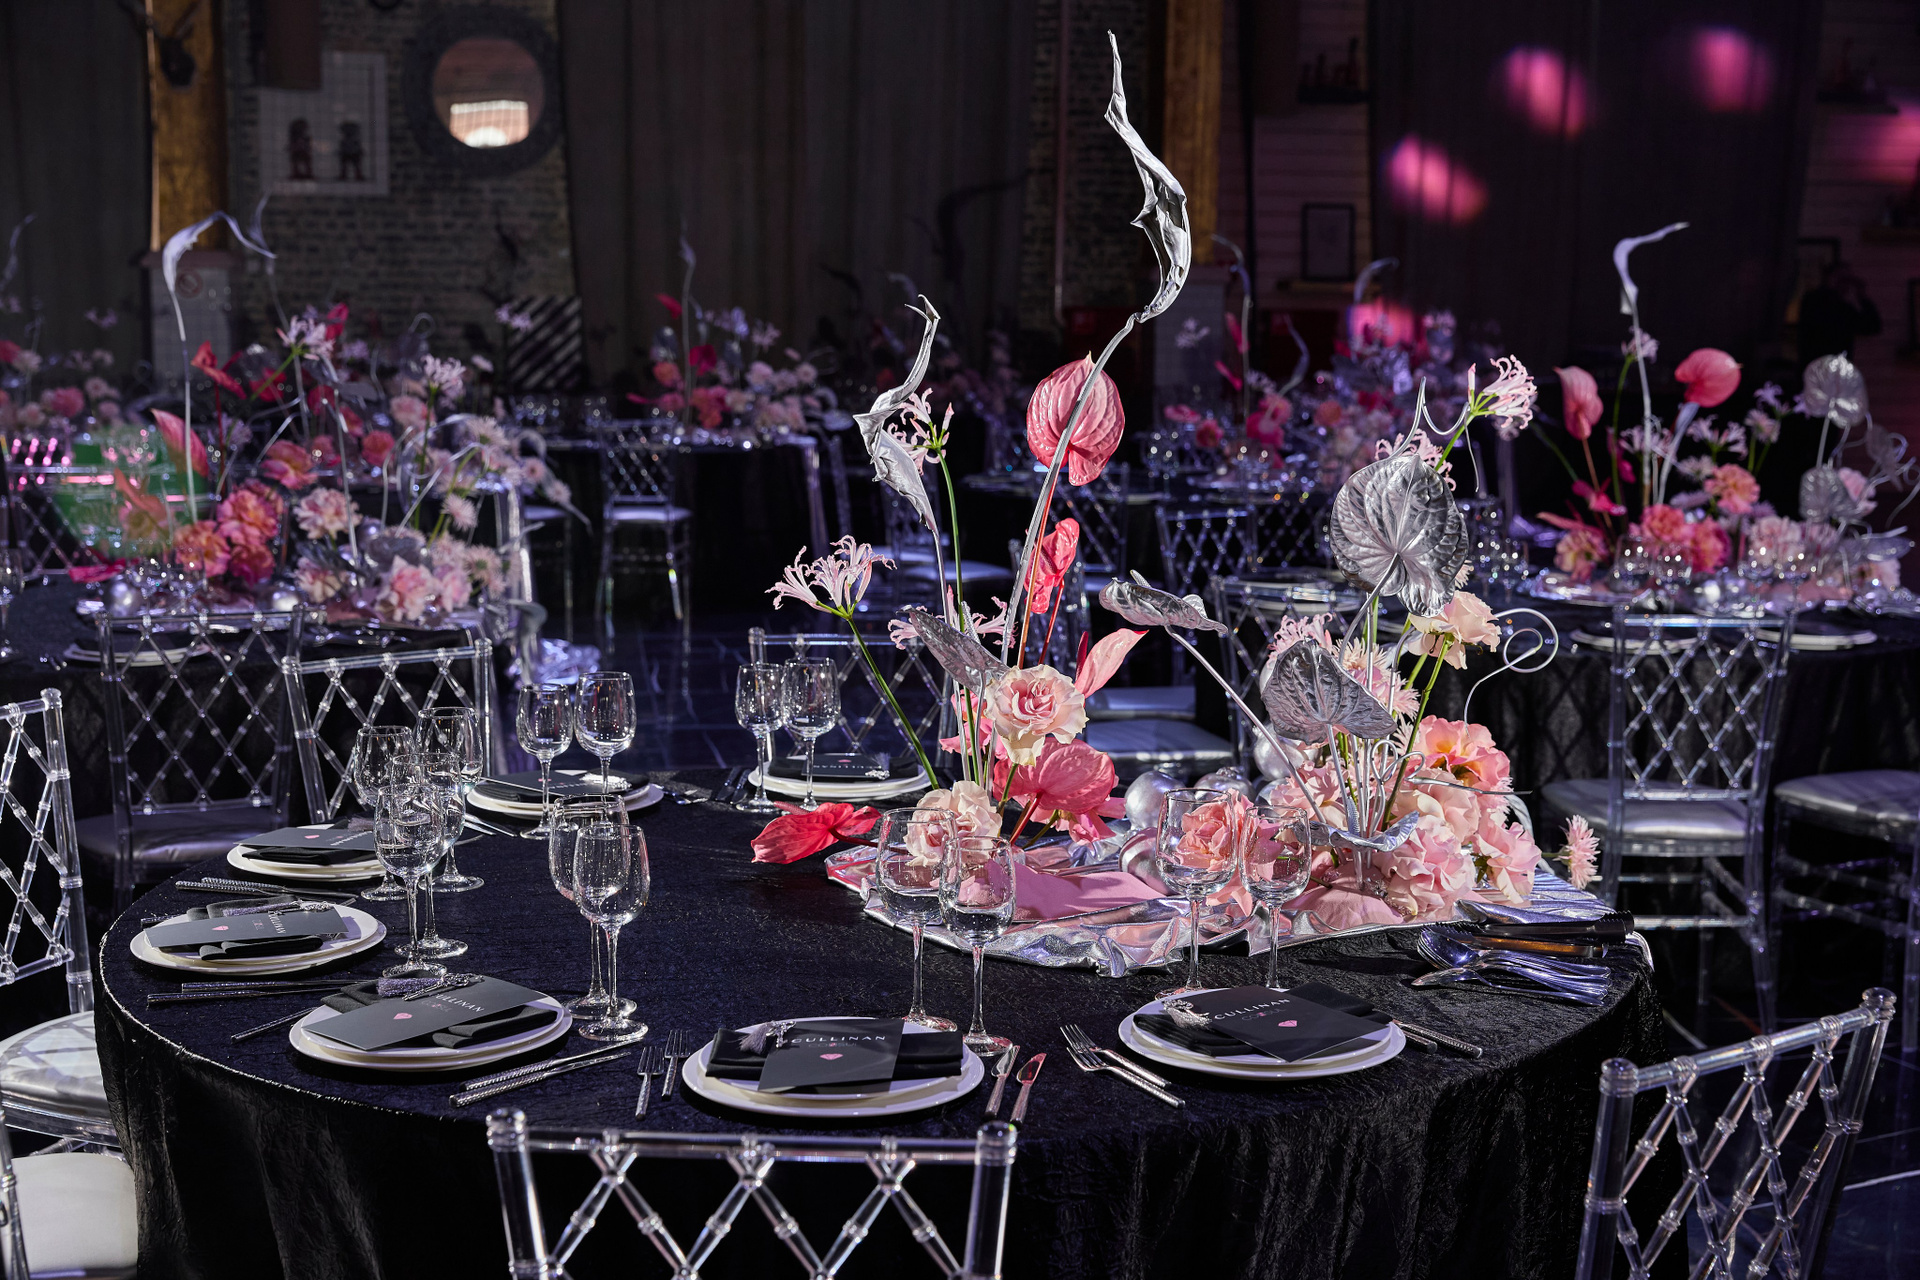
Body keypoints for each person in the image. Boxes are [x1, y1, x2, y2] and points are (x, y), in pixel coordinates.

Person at [1798, 261, 1881, 368]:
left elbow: (1872, 327)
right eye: (1839, 277)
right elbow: (1820, 327)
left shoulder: (1847, 303)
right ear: (1828, 277)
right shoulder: (1814, 300)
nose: (1843, 282)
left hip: (1839, 366)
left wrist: (1858, 302)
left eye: (1846, 279)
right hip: (1815, 363)